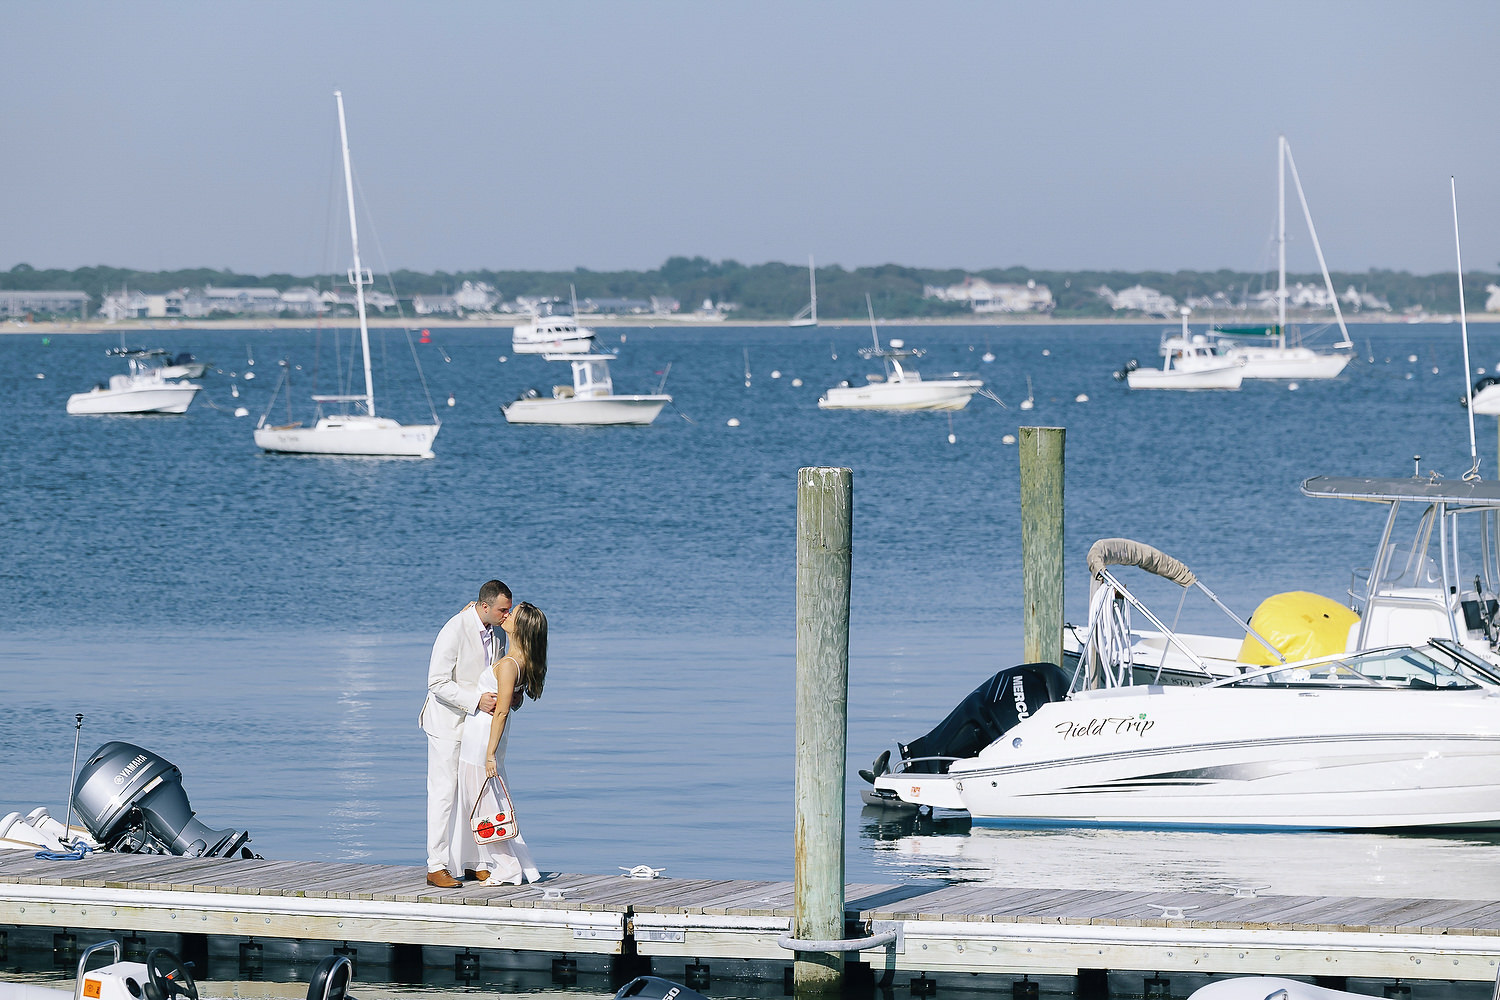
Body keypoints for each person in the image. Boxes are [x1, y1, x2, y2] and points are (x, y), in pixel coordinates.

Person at [421, 580, 511, 888]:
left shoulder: (499, 634)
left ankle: (473, 862)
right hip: (446, 724)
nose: (506, 614)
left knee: (473, 792)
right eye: (502, 609)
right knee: (444, 793)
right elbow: (436, 681)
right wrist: (476, 701)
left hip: (476, 729)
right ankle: (436, 865)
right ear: (484, 606)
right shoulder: (455, 628)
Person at [454, 601, 547, 885]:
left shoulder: (508, 665)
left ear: (518, 627)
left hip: (483, 738)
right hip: (487, 735)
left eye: (511, 614)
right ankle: (517, 863)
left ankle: (506, 867)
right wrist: (466, 617)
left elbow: (503, 710)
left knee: (482, 802)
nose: (505, 615)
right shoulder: (516, 659)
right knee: (491, 800)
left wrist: (490, 754)